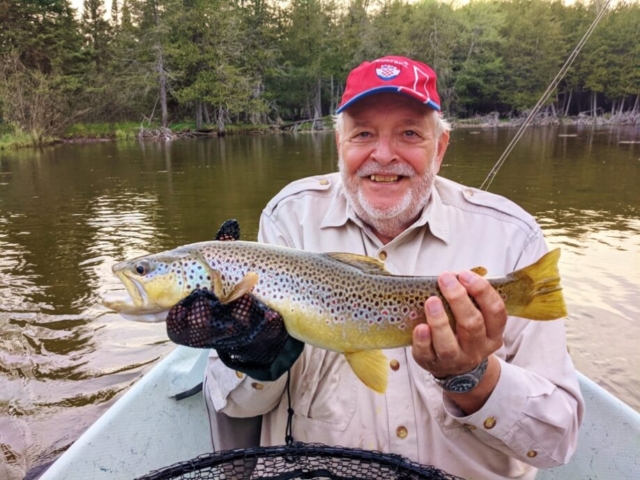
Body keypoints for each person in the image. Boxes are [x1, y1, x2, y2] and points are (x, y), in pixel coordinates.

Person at [203, 55, 584, 479]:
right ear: (339, 144)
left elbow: (556, 441)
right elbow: (235, 404)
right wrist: (253, 354)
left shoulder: (513, 237)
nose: (383, 155)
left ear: (440, 147)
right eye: (363, 133)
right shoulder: (289, 220)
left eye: (409, 133)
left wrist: (474, 377)